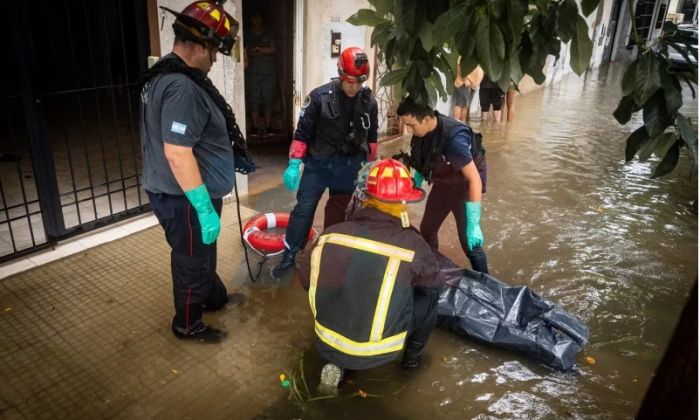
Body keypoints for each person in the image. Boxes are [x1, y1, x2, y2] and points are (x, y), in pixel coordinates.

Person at [137, 1, 252, 343]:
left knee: (202, 251)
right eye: (214, 49)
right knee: (191, 260)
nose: (216, 58)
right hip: (184, 197)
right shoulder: (183, 87)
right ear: (199, 45)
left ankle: (213, 297)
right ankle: (187, 324)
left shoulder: (163, 75)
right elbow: (176, 151)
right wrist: (202, 207)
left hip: (183, 193)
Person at [299, 159, 443, 393]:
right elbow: (434, 285)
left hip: (325, 340)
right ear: (403, 201)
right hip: (380, 350)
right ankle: (411, 360)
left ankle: (337, 362)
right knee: (430, 298)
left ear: (365, 196)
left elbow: (306, 281)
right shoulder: (412, 244)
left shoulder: (330, 235)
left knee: (338, 283)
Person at [272, 46, 379, 277]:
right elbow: (302, 133)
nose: (354, 86)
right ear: (340, 73)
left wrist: (370, 169)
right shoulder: (319, 98)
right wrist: (294, 164)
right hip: (318, 166)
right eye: (350, 80)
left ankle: (331, 255)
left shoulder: (369, 102)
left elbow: (372, 139)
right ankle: (290, 253)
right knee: (303, 210)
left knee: (338, 215)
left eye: (360, 81)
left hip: (349, 168)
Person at [397, 97, 489, 274]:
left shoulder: (454, 141)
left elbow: (474, 180)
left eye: (411, 125)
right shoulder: (422, 133)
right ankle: (434, 269)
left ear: (426, 119)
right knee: (427, 230)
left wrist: (473, 223)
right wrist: (411, 187)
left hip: (463, 189)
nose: (409, 130)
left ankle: (488, 284)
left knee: (470, 244)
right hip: (443, 185)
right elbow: (424, 161)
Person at [244, 12, 277, 136]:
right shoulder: (248, 34)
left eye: (259, 18)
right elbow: (247, 52)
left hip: (269, 71)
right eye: (254, 18)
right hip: (253, 71)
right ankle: (255, 127)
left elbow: (273, 49)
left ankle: (268, 127)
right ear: (252, 20)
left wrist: (257, 49)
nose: (257, 21)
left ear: (262, 20)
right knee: (254, 98)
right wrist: (264, 51)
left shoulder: (268, 32)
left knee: (269, 98)